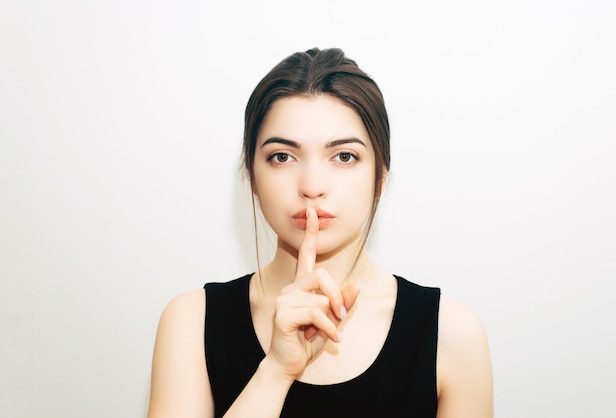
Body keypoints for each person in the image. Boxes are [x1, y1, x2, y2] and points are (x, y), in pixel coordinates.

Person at [146, 47, 493, 418]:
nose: (312, 186)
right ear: (252, 176)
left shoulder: (452, 335)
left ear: (381, 176)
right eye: (282, 156)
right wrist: (275, 372)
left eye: (344, 156)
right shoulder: (190, 323)